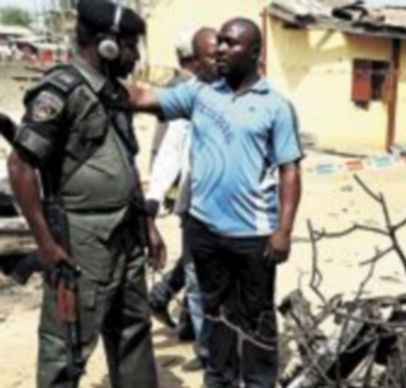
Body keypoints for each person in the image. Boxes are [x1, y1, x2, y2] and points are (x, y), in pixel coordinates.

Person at [129, 17, 303, 387]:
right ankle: (219, 380)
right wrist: (97, 75)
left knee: (257, 319)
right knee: (215, 316)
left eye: (230, 43)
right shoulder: (201, 94)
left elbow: (290, 171)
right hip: (205, 231)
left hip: (254, 235)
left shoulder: (275, 106)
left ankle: (258, 382)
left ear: (255, 53)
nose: (220, 49)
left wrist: (283, 231)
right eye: (219, 42)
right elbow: (143, 98)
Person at [6, 0, 163, 387]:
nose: (135, 55)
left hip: (126, 233)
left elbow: (122, 163)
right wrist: (45, 243)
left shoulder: (113, 92)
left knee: (133, 332)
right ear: (106, 45)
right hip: (82, 242)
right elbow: (20, 166)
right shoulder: (60, 91)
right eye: (130, 45)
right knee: (67, 346)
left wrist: (148, 224)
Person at [146, 26, 218, 371]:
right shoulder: (186, 94)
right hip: (195, 205)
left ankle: (228, 349)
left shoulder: (252, 96)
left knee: (229, 284)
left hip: (240, 214)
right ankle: (208, 354)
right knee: (196, 278)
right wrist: (154, 199)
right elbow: (171, 150)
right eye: (206, 55)